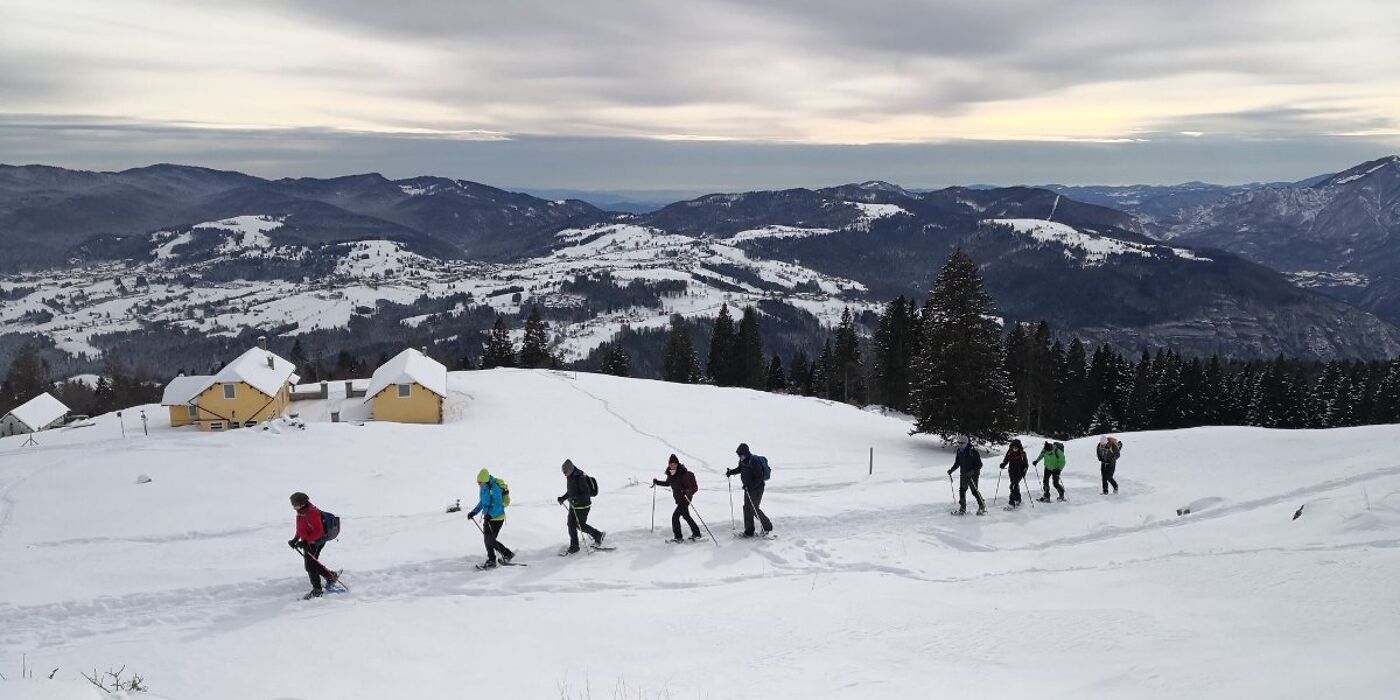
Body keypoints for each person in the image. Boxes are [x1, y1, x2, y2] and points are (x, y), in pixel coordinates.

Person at [288, 491, 338, 598]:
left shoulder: (312, 513)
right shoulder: (301, 511)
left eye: (294, 505)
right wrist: (295, 539)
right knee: (312, 564)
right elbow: (301, 528)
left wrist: (306, 541)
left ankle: (317, 590)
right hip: (307, 543)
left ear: (302, 503)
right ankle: (330, 576)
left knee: (310, 566)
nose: (293, 507)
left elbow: (319, 531)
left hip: (316, 542)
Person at [467, 468, 514, 568]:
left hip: (497, 518)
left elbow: (499, 505)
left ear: (485, 481)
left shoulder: (495, 488)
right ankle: (492, 560)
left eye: (480, 482)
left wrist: (491, 515)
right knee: (487, 540)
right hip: (488, 518)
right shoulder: (484, 488)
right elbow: (482, 502)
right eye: (478, 482)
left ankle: (508, 554)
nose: (478, 484)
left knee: (490, 540)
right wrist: (474, 512)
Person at [725, 443, 773, 537]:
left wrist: (750, 486)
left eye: (741, 454)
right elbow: (740, 469)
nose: (740, 456)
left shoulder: (754, 460)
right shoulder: (742, 460)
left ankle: (767, 526)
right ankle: (749, 530)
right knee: (746, 508)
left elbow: (759, 477)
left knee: (753, 508)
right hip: (748, 488)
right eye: (738, 455)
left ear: (746, 453)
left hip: (757, 488)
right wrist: (731, 472)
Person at [558, 459, 605, 553]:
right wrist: (563, 498)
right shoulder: (570, 476)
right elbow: (571, 491)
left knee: (580, 526)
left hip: (583, 506)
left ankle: (598, 535)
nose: (564, 474)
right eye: (563, 472)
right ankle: (574, 546)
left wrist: (576, 499)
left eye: (565, 472)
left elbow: (586, 493)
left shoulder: (579, 477)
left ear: (570, 469)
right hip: (574, 505)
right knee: (571, 524)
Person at [653, 454, 702, 542]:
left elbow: (692, 487)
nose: (672, 465)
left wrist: (686, 491)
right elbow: (667, 483)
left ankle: (678, 537)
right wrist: (657, 482)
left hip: (686, 498)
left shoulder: (683, 473)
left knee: (675, 517)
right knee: (686, 516)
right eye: (671, 464)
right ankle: (697, 533)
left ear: (677, 464)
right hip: (679, 499)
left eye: (674, 464)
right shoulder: (671, 474)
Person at [946, 436, 986, 515]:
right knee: (962, 490)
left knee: (974, 491)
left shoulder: (973, 451)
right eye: (959, 443)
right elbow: (957, 463)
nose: (960, 444)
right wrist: (951, 470)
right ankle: (962, 508)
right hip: (963, 474)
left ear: (966, 443)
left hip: (973, 475)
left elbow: (979, 465)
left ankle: (982, 505)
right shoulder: (959, 451)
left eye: (962, 443)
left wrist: (971, 472)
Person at [999, 439, 1029, 508]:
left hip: (1020, 473)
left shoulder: (1022, 454)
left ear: (1019, 447)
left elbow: (1026, 465)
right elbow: (1006, 460)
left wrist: (1024, 472)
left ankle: (1011, 503)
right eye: (1013, 447)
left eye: (1016, 447)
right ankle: (1018, 499)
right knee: (1015, 485)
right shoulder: (1009, 452)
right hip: (1011, 472)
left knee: (1013, 486)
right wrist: (1003, 464)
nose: (1014, 449)